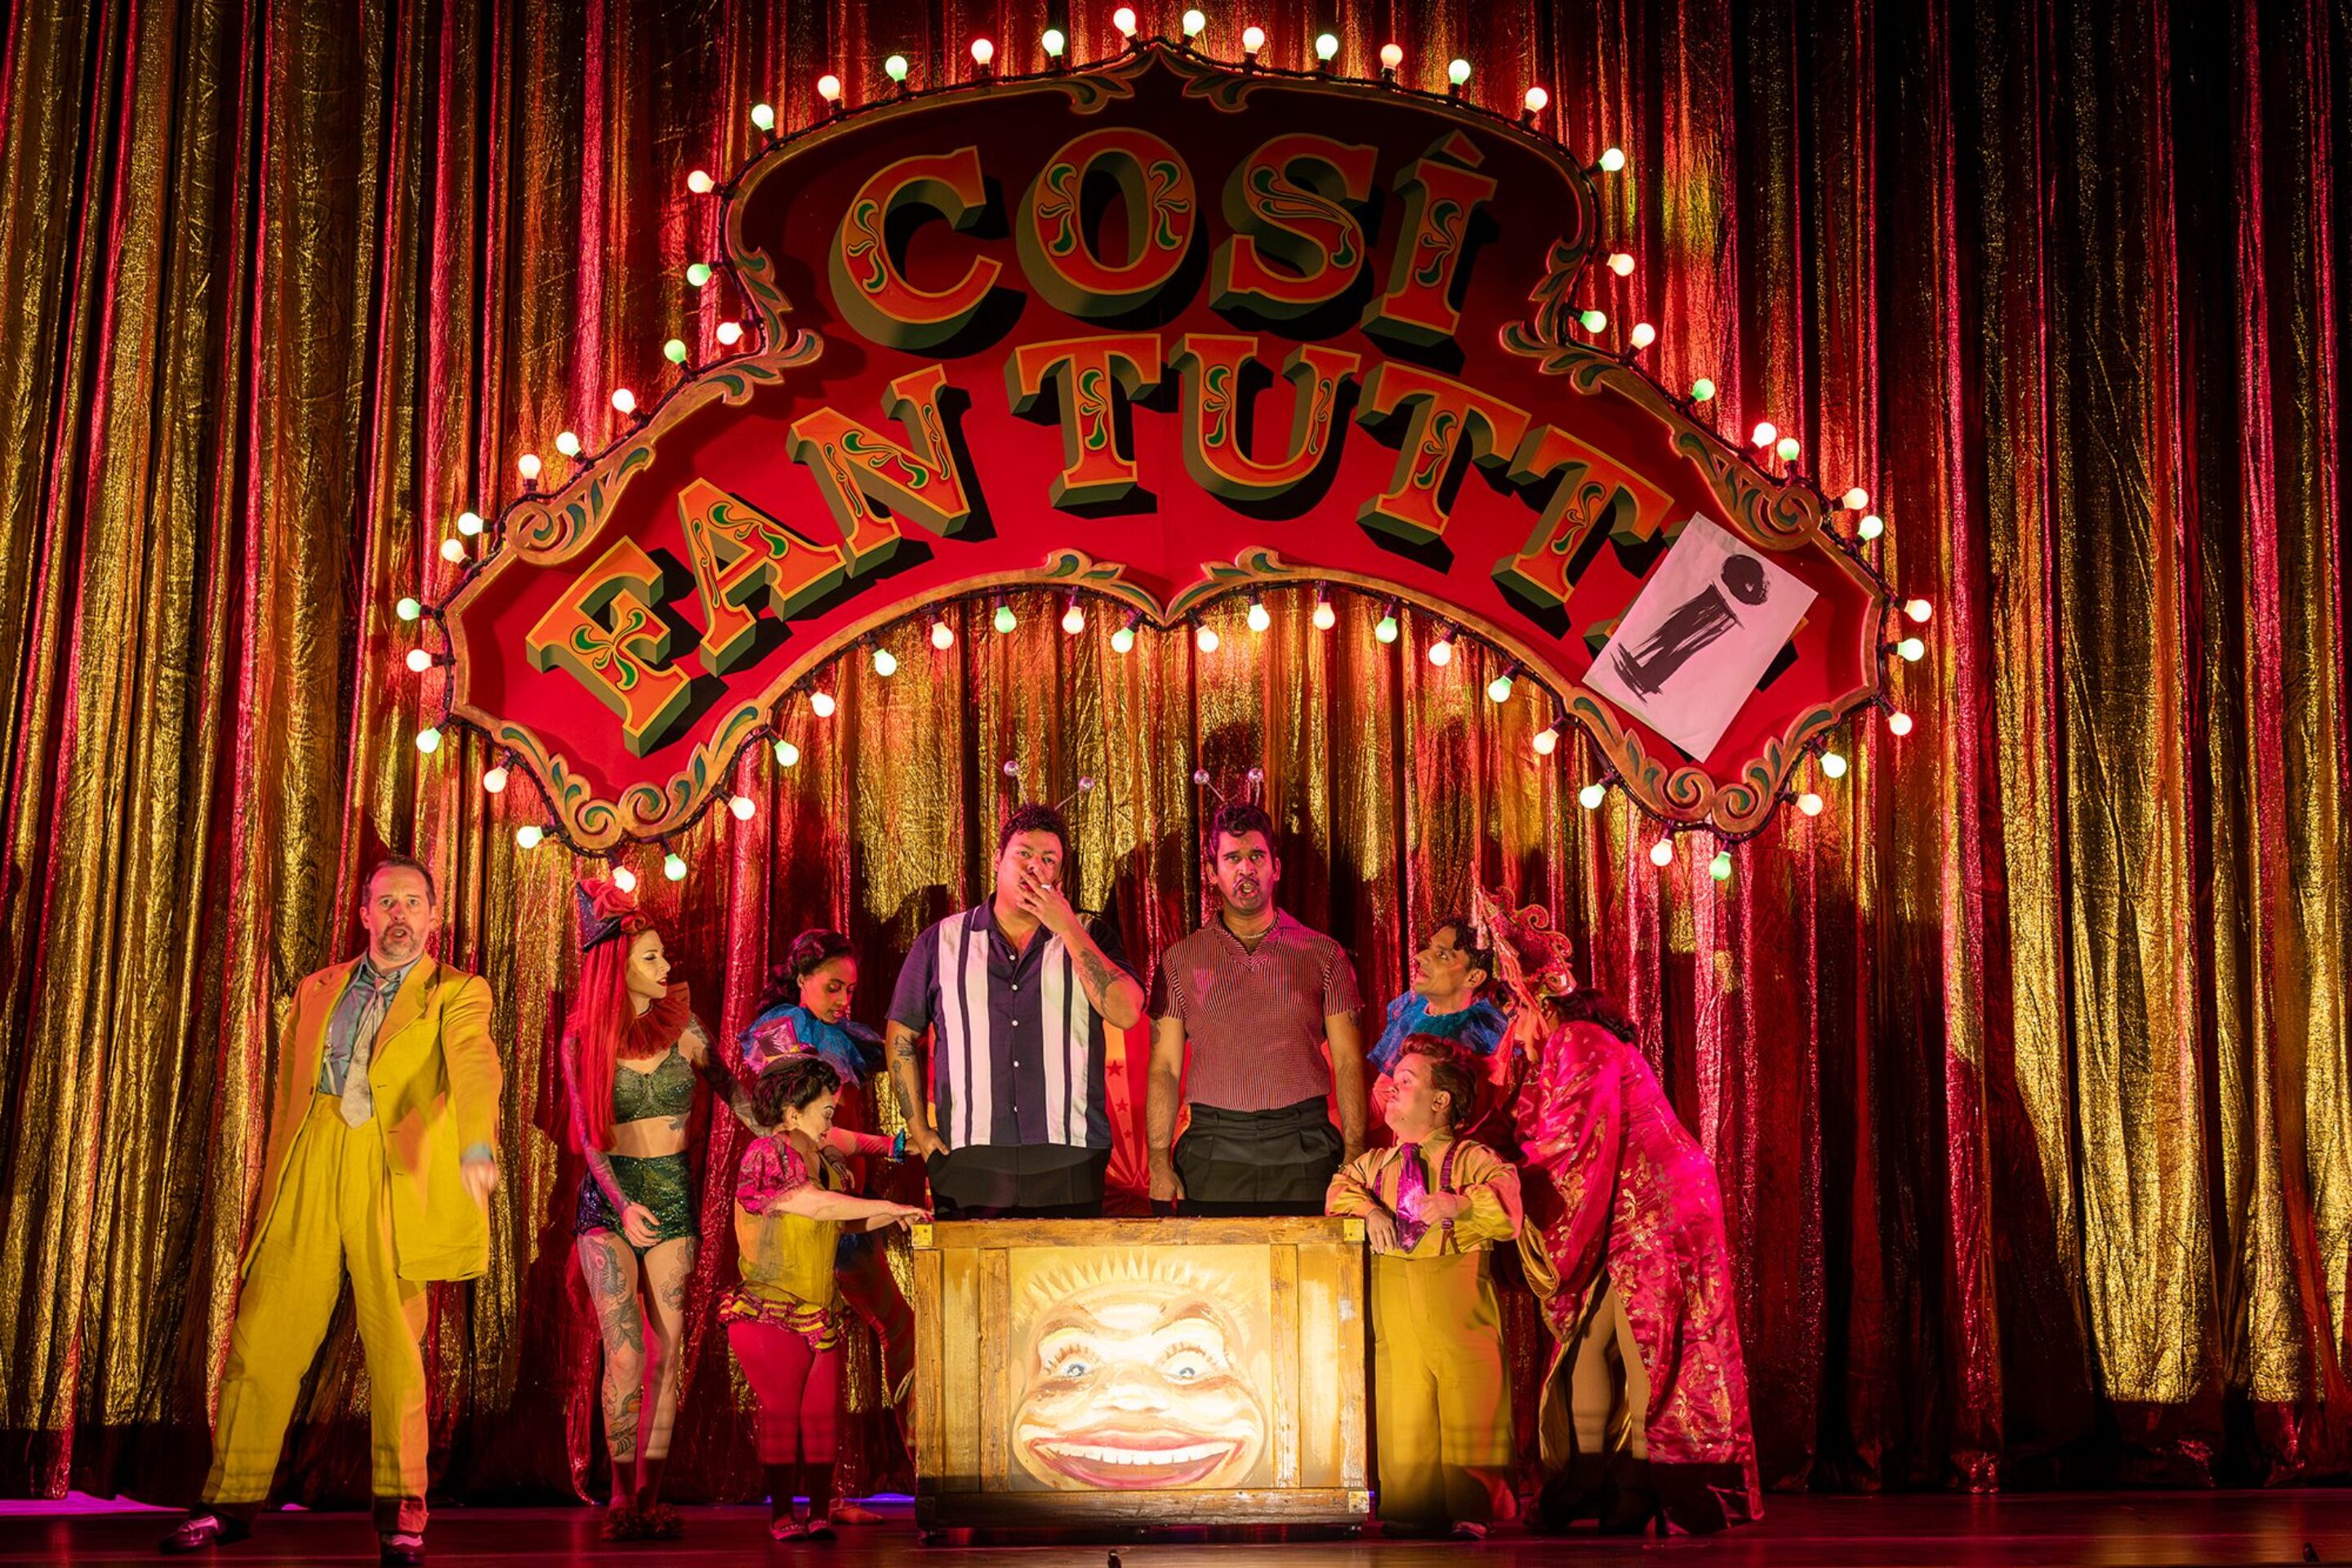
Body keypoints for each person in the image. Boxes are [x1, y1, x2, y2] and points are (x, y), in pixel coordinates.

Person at [160, 857, 501, 1567]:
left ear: (434, 915)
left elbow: (474, 1064)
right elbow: (290, 1090)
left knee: (396, 1352)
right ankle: (228, 1500)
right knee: (263, 1338)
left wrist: (476, 1143)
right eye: (388, 902)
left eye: (414, 902)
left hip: (390, 1164)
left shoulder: (457, 991)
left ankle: (402, 1516)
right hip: (315, 1151)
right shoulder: (318, 987)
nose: (401, 915)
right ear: (366, 914)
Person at [1490, 898, 1760, 1535]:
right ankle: (1591, 1476)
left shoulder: (1579, 1040)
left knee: (1645, 1344)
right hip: (1626, 1200)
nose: (1511, 1029)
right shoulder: (1563, 1048)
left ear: (1539, 1003)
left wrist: (1508, 1181)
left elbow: (1572, 1142)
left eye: (1514, 1011)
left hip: (1657, 1201)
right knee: (1591, 1339)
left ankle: (1639, 1482)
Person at [562, 878, 764, 1541]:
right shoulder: (582, 1037)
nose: (666, 966)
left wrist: (785, 1128)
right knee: (623, 1355)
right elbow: (588, 1136)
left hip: (672, 1193)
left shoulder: (684, 1028)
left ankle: (650, 1495)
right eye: (651, 957)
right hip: (609, 1198)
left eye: (662, 955)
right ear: (616, 966)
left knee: (666, 1352)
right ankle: (621, 1497)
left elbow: (735, 1094)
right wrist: (622, 1205)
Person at [885, 803, 1143, 1218]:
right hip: (970, 1155)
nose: (1034, 867)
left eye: (1048, 859)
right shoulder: (941, 941)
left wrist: (1067, 927)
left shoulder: (1090, 935)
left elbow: (1127, 1012)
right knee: (970, 1264)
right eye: (1023, 853)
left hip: (1070, 1152)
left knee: (1069, 1263)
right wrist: (919, 1128)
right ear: (997, 860)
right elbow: (901, 1034)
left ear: (1060, 876)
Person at [739, 929, 911, 1521]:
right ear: (802, 978)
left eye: (850, 990)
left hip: (843, 1206)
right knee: (811, 1359)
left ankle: (836, 1495)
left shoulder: (842, 1036)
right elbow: (798, 1124)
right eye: (833, 987)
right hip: (807, 1217)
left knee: (858, 1343)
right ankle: (806, 1504)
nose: (843, 999)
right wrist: (887, 1145)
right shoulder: (781, 1031)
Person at [724, 1055, 928, 1541]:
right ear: (792, 1114)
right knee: (782, 1413)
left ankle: (818, 1513)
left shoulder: (825, 1160)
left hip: (818, 1311)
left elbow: (844, 1219)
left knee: (821, 1418)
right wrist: (886, 1204)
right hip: (770, 1310)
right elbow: (809, 1204)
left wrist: (895, 1214)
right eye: (825, 1112)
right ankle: (781, 1515)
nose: (830, 1122)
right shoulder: (767, 1153)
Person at [1325, 1037, 1521, 1539]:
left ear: (1440, 1100)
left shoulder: (1470, 1157)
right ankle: (1412, 1504)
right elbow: (1338, 1191)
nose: (1391, 1089)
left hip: (1455, 1290)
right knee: (1402, 1396)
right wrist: (1369, 1210)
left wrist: (1463, 1204)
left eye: (1406, 1081)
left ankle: (1473, 1503)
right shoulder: (1375, 1165)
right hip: (1393, 1293)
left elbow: (1507, 1201)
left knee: (1469, 1390)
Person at [1147, 802, 1368, 1215]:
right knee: (1215, 1260)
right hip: (1214, 1147)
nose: (1245, 869)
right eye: (1232, 858)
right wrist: (1158, 1159)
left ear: (1276, 868)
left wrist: (1355, 1151)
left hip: (1304, 1144)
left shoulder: (1325, 955)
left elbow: (1348, 1062)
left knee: (1310, 1259)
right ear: (1212, 872)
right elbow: (1165, 1068)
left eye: (1256, 857)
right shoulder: (1179, 960)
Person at [1369, 916, 1510, 1138]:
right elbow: (1381, 1099)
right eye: (1430, 948)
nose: (1420, 957)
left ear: (1474, 977)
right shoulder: (1414, 1010)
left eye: (1442, 955)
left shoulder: (1480, 1032)